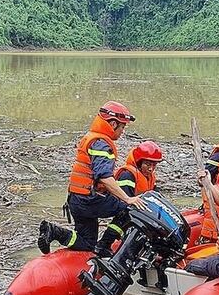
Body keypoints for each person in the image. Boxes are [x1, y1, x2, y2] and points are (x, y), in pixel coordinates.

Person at [37, 101, 146, 255]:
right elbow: (104, 177)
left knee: (87, 243)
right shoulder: (101, 143)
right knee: (129, 209)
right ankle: (106, 244)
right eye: (122, 127)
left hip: (76, 200)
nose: (122, 132)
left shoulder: (92, 138)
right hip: (89, 200)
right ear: (113, 124)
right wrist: (128, 199)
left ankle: (54, 231)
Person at [93, 140, 163, 256]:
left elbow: (156, 195)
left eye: (154, 165)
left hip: (139, 208)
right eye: (148, 164)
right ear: (140, 162)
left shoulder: (150, 177)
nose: (151, 169)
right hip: (121, 207)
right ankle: (104, 244)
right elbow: (125, 200)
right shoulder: (128, 174)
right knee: (125, 215)